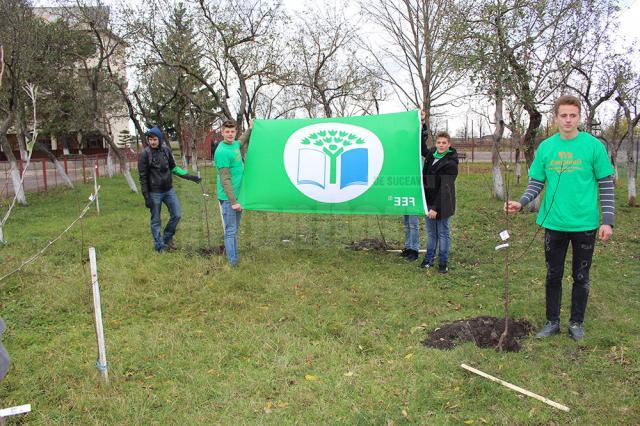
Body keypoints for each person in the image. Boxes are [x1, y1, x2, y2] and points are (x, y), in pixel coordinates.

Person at [505, 95, 615, 341]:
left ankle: (576, 323)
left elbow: (606, 183)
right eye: (563, 115)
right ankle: (552, 321)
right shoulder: (546, 147)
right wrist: (521, 202)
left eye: (572, 116)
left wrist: (607, 219)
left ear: (579, 118)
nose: (568, 120)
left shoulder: (593, 146)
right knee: (553, 274)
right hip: (553, 223)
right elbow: (536, 181)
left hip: (584, 223)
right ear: (556, 118)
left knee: (581, 275)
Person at [138, 126, 201, 252]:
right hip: (154, 193)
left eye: (155, 139)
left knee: (177, 215)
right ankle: (159, 246)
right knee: (156, 220)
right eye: (150, 139)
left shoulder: (166, 151)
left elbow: (173, 168)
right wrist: (146, 196)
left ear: (159, 139)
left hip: (168, 190)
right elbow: (143, 177)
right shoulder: (145, 154)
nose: (152, 142)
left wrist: (189, 176)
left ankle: (167, 238)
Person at [419, 131, 459, 273]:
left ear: (449, 145)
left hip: (443, 202)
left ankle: (443, 262)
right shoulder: (431, 154)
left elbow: (445, 187)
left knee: (443, 233)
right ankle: (429, 259)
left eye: (444, 143)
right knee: (431, 233)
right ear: (435, 143)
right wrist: (422, 125)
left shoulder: (451, 162)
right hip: (428, 201)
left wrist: (435, 208)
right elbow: (421, 147)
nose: (441, 145)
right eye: (439, 142)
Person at [215, 119, 252, 266]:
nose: (230, 134)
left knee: (234, 230)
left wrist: (250, 128)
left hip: (238, 196)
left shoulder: (235, 144)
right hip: (228, 198)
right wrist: (234, 201)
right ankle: (233, 262)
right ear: (222, 132)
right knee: (230, 231)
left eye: (232, 131)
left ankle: (233, 256)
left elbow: (242, 140)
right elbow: (225, 179)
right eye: (227, 132)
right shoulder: (222, 152)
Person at [400, 112, 429, 262]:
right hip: (404, 188)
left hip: (415, 189)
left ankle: (414, 249)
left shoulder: (416, 148)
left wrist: (422, 122)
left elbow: (422, 138)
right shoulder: (400, 152)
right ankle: (408, 246)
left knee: (413, 222)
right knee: (406, 222)